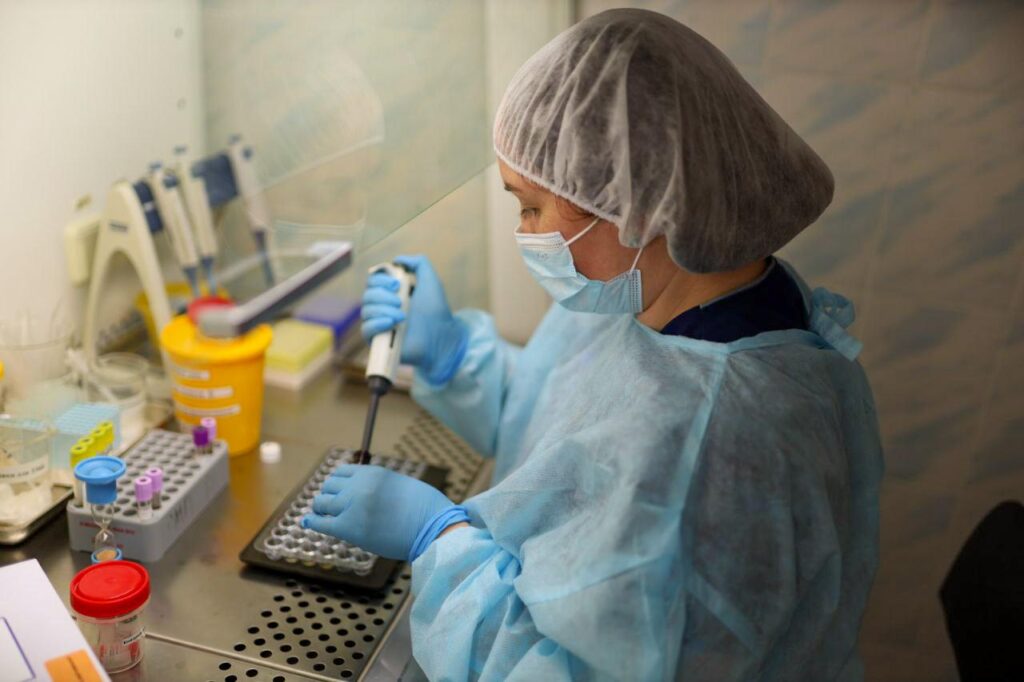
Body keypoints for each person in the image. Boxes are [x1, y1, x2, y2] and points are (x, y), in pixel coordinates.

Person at [303, 8, 884, 681]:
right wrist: (457, 359)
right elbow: (574, 436)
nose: (526, 233)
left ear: (637, 207)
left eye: (531, 206)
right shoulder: (670, 292)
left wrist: (440, 542)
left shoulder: (710, 443)